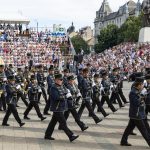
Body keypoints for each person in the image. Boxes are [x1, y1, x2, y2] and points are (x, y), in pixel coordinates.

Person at [45, 74, 79, 142]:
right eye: (60, 79)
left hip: (61, 107)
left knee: (53, 122)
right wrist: (65, 96)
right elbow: (56, 97)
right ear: (56, 80)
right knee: (63, 123)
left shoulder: (62, 86)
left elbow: (66, 91)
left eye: (62, 79)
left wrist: (68, 94)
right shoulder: (53, 87)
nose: (61, 81)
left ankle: (47, 135)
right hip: (57, 108)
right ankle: (71, 135)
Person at [120, 77, 150, 147]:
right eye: (142, 84)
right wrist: (142, 95)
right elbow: (136, 103)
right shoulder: (133, 92)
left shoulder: (138, 91)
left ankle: (123, 141)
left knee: (129, 129)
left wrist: (145, 94)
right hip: (136, 114)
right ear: (139, 85)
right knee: (143, 130)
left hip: (139, 113)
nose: (143, 86)